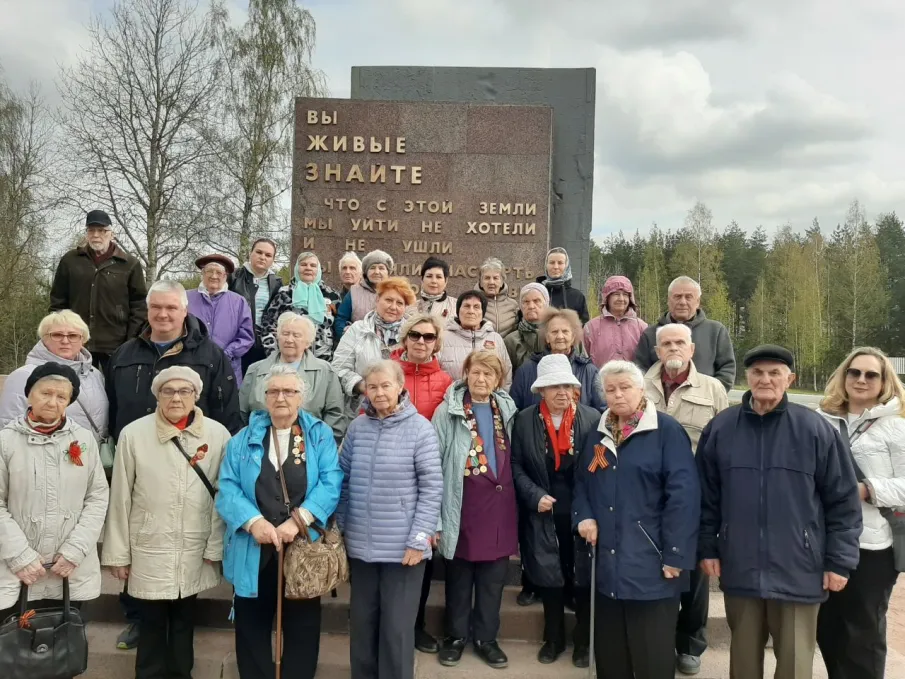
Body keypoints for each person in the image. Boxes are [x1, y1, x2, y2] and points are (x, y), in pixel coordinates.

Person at [697, 345, 862, 679]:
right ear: (747, 378)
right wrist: (708, 546)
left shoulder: (816, 430)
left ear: (790, 379)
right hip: (740, 564)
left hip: (799, 567)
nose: (765, 380)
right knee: (743, 663)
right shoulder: (721, 428)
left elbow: (843, 500)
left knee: (796, 665)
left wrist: (840, 560)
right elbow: (706, 498)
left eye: (774, 373)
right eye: (758, 373)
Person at [105, 279, 242, 649]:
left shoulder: (211, 355)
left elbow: (228, 414)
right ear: (147, 311)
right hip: (139, 461)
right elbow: (112, 408)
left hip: (192, 465)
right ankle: (138, 620)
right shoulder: (125, 354)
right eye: (156, 308)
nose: (163, 315)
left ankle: (180, 632)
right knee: (140, 545)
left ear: (186, 310)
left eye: (171, 308)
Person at [574, 360, 700, 679]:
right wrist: (584, 516)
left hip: (653, 563)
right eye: (610, 389)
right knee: (611, 656)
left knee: (651, 657)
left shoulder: (666, 431)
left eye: (625, 387)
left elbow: (683, 498)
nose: (617, 395)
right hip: (607, 564)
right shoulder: (598, 432)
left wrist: (676, 555)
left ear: (641, 389)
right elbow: (581, 484)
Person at [102, 366, 230, 679]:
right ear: (157, 395)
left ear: (196, 396)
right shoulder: (134, 434)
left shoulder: (218, 435)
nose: (176, 397)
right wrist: (118, 554)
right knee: (151, 623)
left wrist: (215, 544)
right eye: (168, 391)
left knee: (185, 621)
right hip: (149, 545)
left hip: (193, 545)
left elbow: (222, 496)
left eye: (184, 391)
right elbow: (120, 498)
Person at [217, 363, 342, 679]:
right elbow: (228, 486)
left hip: (301, 549)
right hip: (254, 547)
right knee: (251, 625)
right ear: (264, 397)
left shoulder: (318, 434)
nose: (281, 397)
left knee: (302, 626)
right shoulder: (244, 439)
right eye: (274, 391)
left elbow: (331, 481)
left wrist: (298, 520)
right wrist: (253, 522)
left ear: (302, 398)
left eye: (290, 391)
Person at [338, 360, 443, 679]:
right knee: (362, 626)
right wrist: (341, 528)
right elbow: (342, 480)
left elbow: (431, 487)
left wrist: (420, 538)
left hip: (404, 551)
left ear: (401, 387)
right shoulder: (357, 428)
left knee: (397, 630)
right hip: (362, 547)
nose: (379, 392)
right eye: (372, 387)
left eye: (385, 385)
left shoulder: (421, 429)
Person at [642, 323, 728, 676]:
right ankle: (658, 638)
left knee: (692, 575)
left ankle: (691, 642)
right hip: (647, 497)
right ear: (657, 351)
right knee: (652, 571)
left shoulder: (713, 389)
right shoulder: (638, 385)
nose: (673, 348)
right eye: (666, 343)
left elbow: (724, 443)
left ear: (692, 350)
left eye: (680, 342)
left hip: (695, 497)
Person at [816, 347, 905, 679]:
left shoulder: (896, 427)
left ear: (884, 382)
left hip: (872, 546)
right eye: (854, 372)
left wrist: (867, 489)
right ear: (844, 376)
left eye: (871, 374)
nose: (861, 379)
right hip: (824, 540)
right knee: (827, 628)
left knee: (863, 632)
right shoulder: (822, 419)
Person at [0, 363, 109, 629]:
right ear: (29, 395)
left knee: (61, 653)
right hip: (15, 571)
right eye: (45, 393)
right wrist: (20, 556)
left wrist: (75, 551)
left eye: (61, 397)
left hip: (68, 571)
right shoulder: (6, 441)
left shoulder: (83, 439)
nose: (52, 401)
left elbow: (97, 497)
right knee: (15, 654)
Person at [510, 354, 600, 668]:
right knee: (548, 576)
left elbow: (599, 466)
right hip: (542, 507)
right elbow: (516, 466)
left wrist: (588, 504)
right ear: (541, 391)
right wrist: (534, 495)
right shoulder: (524, 420)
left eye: (567, 385)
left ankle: (583, 643)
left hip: (582, 507)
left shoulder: (590, 418)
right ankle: (553, 638)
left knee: (583, 577)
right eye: (553, 386)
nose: (562, 392)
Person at [431, 351, 518, 669]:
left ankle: (486, 638)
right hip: (463, 506)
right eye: (476, 373)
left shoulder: (507, 409)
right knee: (459, 577)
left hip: (499, 506)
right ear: (465, 373)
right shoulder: (447, 412)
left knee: (493, 579)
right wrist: (436, 518)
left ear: (498, 380)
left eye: (489, 375)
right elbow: (433, 465)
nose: (482, 380)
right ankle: (455, 636)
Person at [388, 313, 453, 654]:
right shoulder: (388, 374)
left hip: (427, 479)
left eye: (429, 337)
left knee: (421, 554)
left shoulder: (445, 381)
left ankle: (415, 625)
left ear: (436, 343)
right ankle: (387, 625)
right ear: (405, 338)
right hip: (388, 479)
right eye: (415, 335)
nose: (421, 341)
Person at [49, 209, 148, 372]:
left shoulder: (129, 264)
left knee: (116, 391)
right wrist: (62, 336)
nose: (96, 235)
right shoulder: (70, 261)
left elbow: (139, 306)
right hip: (78, 343)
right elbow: (58, 302)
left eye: (101, 231)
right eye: (91, 230)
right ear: (87, 233)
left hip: (117, 345)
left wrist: (131, 340)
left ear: (112, 233)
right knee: (77, 391)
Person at [0, 310, 108, 442]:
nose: (65, 340)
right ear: (44, 339)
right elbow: (8, 428)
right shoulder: (23, 376)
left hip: (90, 456)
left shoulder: (95, 374)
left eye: (73, 336)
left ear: (83, 340)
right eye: (57, 335)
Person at [240, 312, 345, 443]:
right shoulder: (255, 370)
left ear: (308, 342)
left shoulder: (325, 371)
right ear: (277, 337)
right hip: (261, 443)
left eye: (296, 335)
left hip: (310, 444)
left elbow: (335, 414)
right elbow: (241, 414)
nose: (289, 339)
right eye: (285, 334)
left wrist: (324, 446)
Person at [634, 276, 735, 391]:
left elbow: (727, 370)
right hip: (660, 404)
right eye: (677, 297)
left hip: (703, 403)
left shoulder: (716, 331)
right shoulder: (651, 333)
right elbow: (639, 371)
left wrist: (710, 395)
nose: (682, 302)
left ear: (698, 301)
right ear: (668, 300)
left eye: (688, 297)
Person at [332, 277, 416, 415]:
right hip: (362, 410)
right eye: (388, 300)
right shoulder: (358, 330)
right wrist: (363, 386)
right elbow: (339, 367)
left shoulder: (414, 334)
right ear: (377, 300)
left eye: (400, 303)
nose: (393, 307)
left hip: (402, 411)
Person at [510, 308, 605, 412]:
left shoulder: (589, 371)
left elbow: (602, 410)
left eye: (565, 331)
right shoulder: (526, 370)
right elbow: (514, 410)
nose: (560, 336)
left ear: (573, 337)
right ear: (547, 337)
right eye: (554, 332)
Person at [261, 252, 341, 362]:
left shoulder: (331, 295)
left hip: (323, 359)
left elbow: (338, 325)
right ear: (297, 268)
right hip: (289, 359)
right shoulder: (284, 293)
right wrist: (273, 356)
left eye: (313, 266)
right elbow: (268, 326)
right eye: (303, 265)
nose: (308, 268)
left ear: (318, 270)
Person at [187, 254, 254, 384]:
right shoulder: (186, 298)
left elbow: (247, 337)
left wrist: (225, 355)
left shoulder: (238, 302)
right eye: (209, 271)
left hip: (227, 369)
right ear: (202, 273)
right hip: (190, 368)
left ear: (225, 276)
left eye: (219, 272)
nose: (214, 276)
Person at [228, 238, 282, 374]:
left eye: (268, 255)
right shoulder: (233, 278)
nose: (263, 257)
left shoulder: (277, 282)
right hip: (238, 338)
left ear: (272, 260)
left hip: (264, 342)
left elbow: (279, 310)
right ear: (250, 253)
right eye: (259, 252)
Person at [438, 291, 512, 387]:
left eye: (476, 307)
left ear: (483, 313)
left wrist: (500, 399)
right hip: (451, 399)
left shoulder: (495, 338)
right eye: (466, 306)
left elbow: (506, 374)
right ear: (458, 311)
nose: (471, 311)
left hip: (488, 400)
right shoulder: (443, 338)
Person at [583, 275, 648, 367]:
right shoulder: (591, 327)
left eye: (625, 295)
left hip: (633, 380)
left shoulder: (642, 327)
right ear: (607, 297)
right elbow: (584, 361)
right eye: (616, 294)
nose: (621, 299)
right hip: (600, 380)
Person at [335, 249, 394, 339]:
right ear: (366, 272)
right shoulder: (354, 292)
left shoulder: (397, 293)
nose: (377, 272)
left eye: (381, 268)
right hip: (358, 346)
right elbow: (340, 320)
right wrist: (348, 337)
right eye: (372, 268)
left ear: (388, 272)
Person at [536, 247, 589, 324]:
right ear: (546, 266)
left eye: (560, 263)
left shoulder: (577, 296)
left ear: (566, 266)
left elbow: (584, 327)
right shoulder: (536, 293)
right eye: (552, 262)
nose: (556, 267)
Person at [505, 282, 549, 370]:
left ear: (546, 303)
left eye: (536, 301)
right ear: (521, 307)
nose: (531, 306)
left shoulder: (558, 335)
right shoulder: (511, 340)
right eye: (526, 302)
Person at [477, 257, 519, 338]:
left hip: (507, 349)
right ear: (481, 282)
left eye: (495, 278)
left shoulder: (513, 305)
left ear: (502, 281)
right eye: (487, 278)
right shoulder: (473, 304)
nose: (491, 282)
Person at [417, 256, 457, 320]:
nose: (433, 281)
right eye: (429, 276)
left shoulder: (456, 306)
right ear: (422, 280)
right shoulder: (411, 308)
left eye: (438, 277)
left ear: (446, 281)